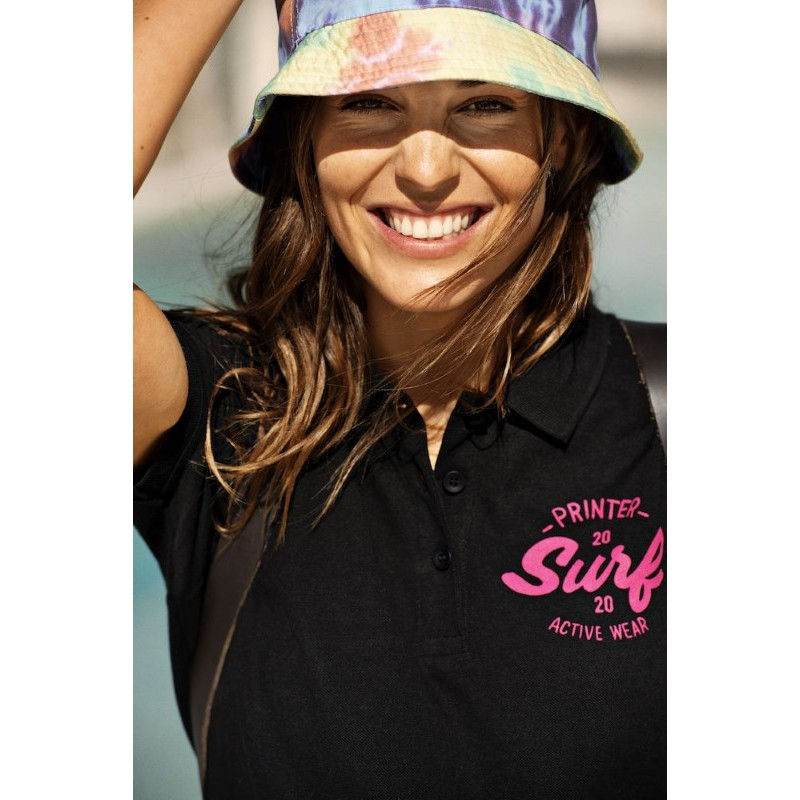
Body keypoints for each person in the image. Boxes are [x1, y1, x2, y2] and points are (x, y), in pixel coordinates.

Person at [134, 1, 666, 797]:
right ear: (305, 139)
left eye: (485, 103)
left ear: (561, 138)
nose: (424, 169)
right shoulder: (226, 416)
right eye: (369, 100)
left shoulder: (674, 412)